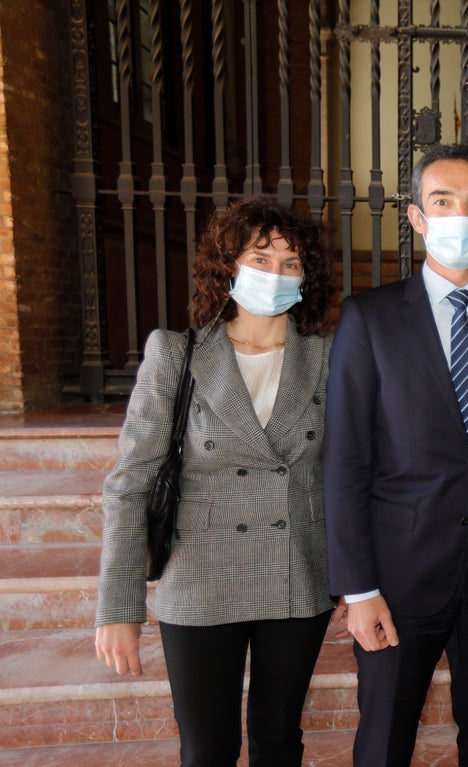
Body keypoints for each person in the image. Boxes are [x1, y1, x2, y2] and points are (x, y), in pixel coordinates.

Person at [323, 143, 468, 767]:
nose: (461, 214)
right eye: (443, 201)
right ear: (417, 216)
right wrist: (358, 588)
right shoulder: (369, 320)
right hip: (397, 583)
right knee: (384, 742)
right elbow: (344, 461)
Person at [94, 198, 340, 766]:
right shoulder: (177, 354)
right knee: (207, 750)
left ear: (307, 277)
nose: (275, 273)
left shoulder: (328, 359)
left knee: (280, 742)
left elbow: (349, 475)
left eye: (290, 262)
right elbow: (129, 483)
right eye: (260, 257)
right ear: (228, 265)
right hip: (200, 577)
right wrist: (118, 607)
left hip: (295, 573)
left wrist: (357, 579)